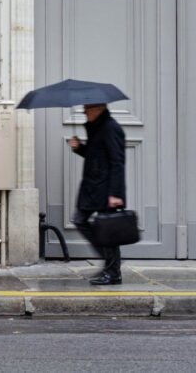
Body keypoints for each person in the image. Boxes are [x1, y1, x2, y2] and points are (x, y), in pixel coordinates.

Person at [68, 103, 126, 286]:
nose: (84, 111)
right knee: (80, 220)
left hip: (106, 189)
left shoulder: (110, 128)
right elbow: (95, 156)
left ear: (98, 108)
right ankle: (112, 264)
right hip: (93, 187)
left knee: (107, 231)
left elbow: (117, 162)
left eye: (87, 108)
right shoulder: (97, 127)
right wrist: (79, 148)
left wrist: (116, 194)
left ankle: (113, 272)